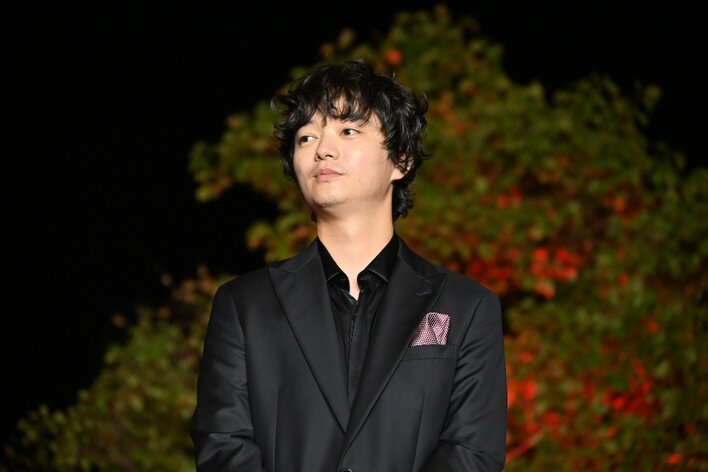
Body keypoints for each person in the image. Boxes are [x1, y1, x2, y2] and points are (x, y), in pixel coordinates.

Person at [190, 59, 507, 471]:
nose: (323, 149)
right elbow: (223, 447)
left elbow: (472, 453)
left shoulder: (466, 307)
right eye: (306, 137)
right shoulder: (245, 305)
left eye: (348, 130)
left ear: (401, 159)